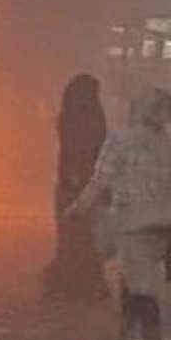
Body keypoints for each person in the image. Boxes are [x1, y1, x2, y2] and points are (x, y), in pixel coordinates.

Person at [65, 86, 171, 340]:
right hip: (162, 232)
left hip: (131, 227)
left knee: (141, 293)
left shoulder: (119, 142)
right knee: (133, 286)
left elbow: (99, 182)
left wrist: (76, 210)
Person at [43, 74, 109, 303]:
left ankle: (71, 284)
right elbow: (86, 153)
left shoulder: (69, 119)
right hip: (81, 185)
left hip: (73, 186)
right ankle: (80, 285)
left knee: (75, 238)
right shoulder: (90, 120)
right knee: (83, 239)